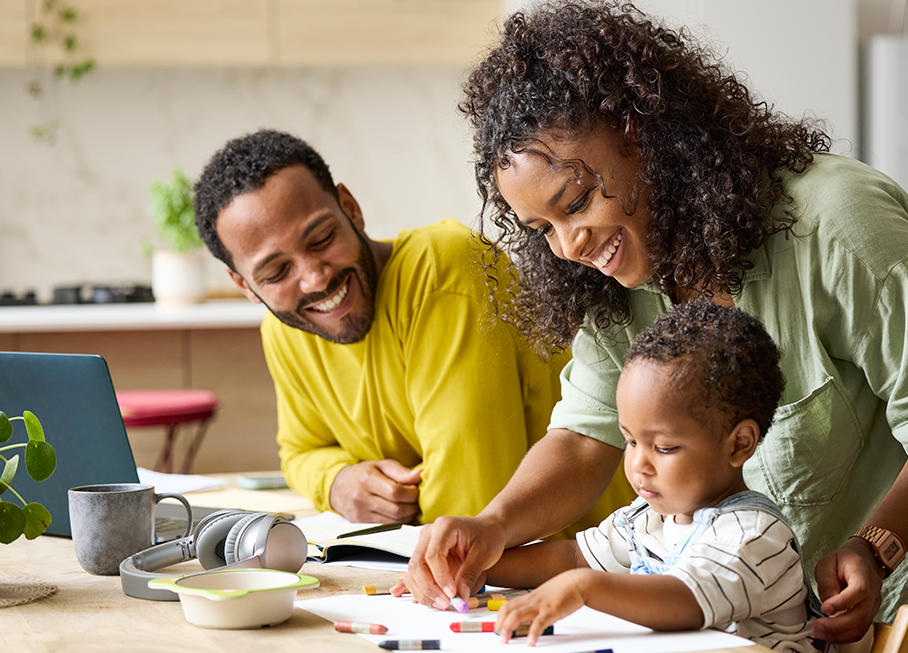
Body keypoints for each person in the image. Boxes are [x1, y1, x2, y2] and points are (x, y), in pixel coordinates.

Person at [400, 2, 908, 652]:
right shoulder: (616, 278)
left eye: (577, 200)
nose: (569, 244)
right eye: (541, 228)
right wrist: (491, 527)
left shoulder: (838, 223)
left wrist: (875, 542)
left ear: (637, 129)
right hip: (863, 545)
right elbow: (585, 438)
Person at [192, 128, 634, 530]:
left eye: (322, 238)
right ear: (245, 286)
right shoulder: (286, 326)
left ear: (350, 208)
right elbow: (300, 452)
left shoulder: (444, 269)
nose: (314, 279)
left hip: (588, 563)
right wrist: (337, 482)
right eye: (275, 271)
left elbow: (469, 506)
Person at [480, 298, 827, 652]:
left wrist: (582, 588)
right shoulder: (645, 519)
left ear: (739, 444)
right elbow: (574, 558)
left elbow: (686, 601)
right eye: (630, 441)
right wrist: (481, 565)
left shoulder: (754, 536)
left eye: (663, 448)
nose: (638, 465)